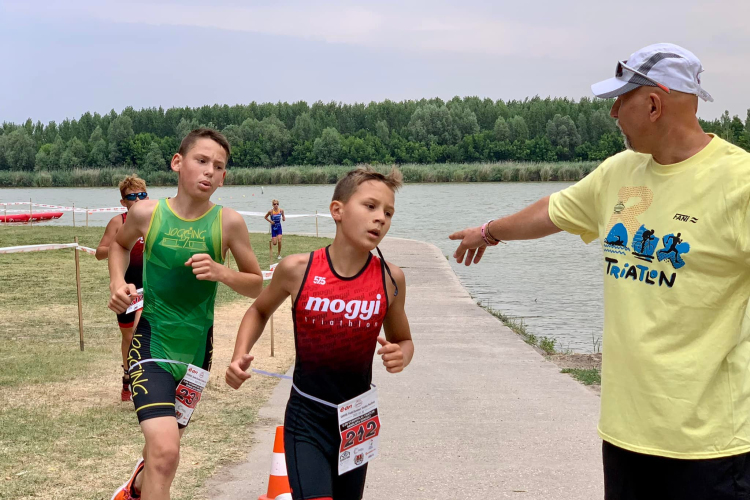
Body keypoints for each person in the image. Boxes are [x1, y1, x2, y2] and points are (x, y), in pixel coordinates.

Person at [449, 43, 750, 500]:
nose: (612, 113)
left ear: (653, 104)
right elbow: (553, 211)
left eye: (620, 100)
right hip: (625, 433)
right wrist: (490, 232)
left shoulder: (738, 183)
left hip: (709, 446)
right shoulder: (620, 173)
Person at [226, 167, 414, 500]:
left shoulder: (390, 278)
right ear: (337, 211)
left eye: (388, 212)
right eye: (370, 206)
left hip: (358, 420)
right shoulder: (298, 269)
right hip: (307, 416)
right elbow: (258, 309)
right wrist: (240, 353)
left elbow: (404, 339)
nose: (381, 218)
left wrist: (402, 355)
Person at [107, 128, 264, 500]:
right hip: (152, 344)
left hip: (197, 353)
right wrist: (118, 284)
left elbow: (256, 283)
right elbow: (118, 244)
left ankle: (135, 490)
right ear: (178, 163)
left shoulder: (228, 223)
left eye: (219, 166)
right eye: (202, 160)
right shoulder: (146, 212)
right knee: (166, 452)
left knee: (164, 453)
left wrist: (221, 271)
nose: (210, 171)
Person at [96, 175, 149, 402]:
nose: (138, 200)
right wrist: (121, 245)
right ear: (123, 202)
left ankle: (146, 379)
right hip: (127, 288)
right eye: (132, 196)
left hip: (151, 287)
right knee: (129, 336)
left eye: (142, 195)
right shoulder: (118, 222)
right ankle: (127, 377)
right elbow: (100, 252)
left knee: (144, 331)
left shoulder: (155, 218)